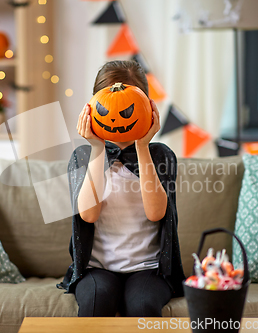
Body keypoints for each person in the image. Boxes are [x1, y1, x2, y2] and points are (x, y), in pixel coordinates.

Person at [57, 60, 185, 317]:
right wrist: (97, 149)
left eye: (128, 109)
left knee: (142, 304)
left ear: (148, 107)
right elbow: (88, 215)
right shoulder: (84, 157)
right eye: (106, 107)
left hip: (148, 269)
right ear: (93, 107)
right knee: (96, 300)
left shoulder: (160, 155)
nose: (116, 116)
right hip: (97, 269)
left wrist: (142, 147)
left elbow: (156, 213)